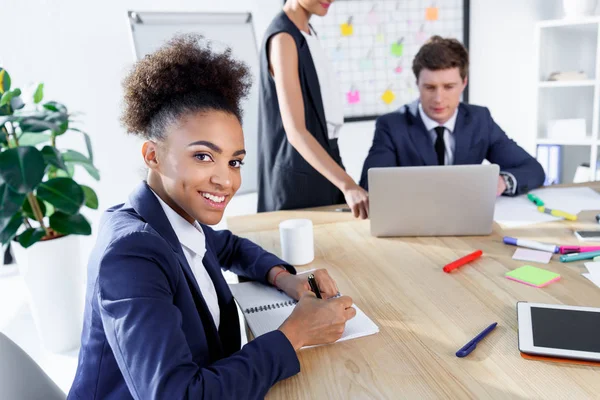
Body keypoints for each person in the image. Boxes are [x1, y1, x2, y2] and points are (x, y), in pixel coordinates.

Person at [67, 34, 356, 400]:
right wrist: (294, 334)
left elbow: (229, 247)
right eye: (203, 156)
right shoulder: (131, 254)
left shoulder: (173, 217)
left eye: (234, 161)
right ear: (152, 156)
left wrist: (285, 278)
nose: (226, 179)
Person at [359, 36, 545, 196]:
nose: (439, 99)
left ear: (464, 83)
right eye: (430, 87)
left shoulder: (480, 119)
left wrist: (503, 182)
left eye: (449, 87)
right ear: (417, 83)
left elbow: (533, 169)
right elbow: (371, 185)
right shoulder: (392, 125)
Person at [258, 0, 369, 218]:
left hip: (323, 166)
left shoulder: (306, 32)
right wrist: (348, 185)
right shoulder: (283, 39)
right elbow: (296, 131)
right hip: (299, 180)